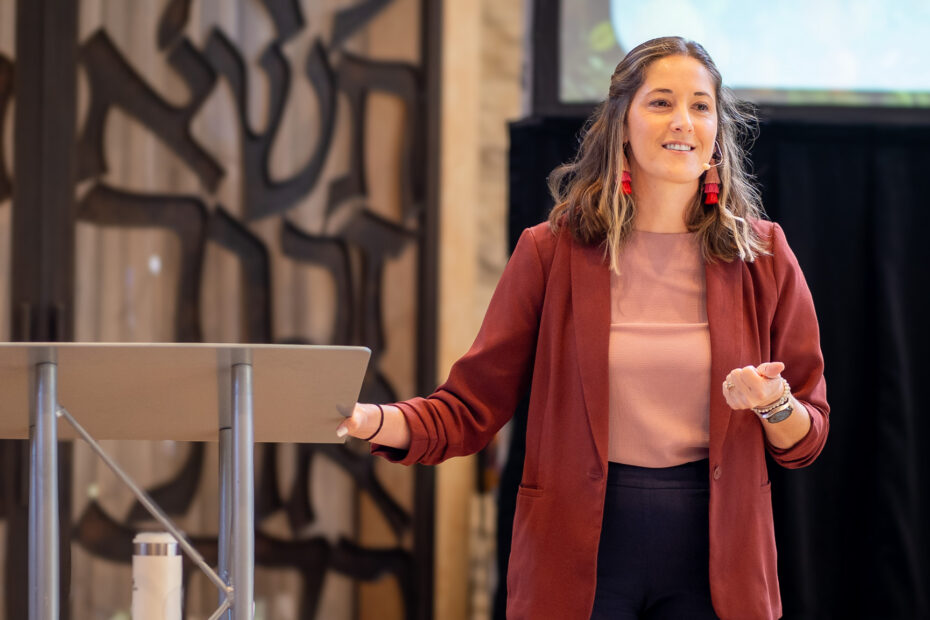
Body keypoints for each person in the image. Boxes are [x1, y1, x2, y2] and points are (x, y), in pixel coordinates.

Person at [336, 36, 829, 620]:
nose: (683, 121)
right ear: (621, 125)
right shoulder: (551, 252)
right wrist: (369, 420)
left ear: (717, 132)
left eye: (701, 106)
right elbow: (469, 409)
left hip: (720, 553)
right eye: (661, 102)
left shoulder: (763, 255)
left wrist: (774, 404)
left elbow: (807, 436)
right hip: (573, 552)